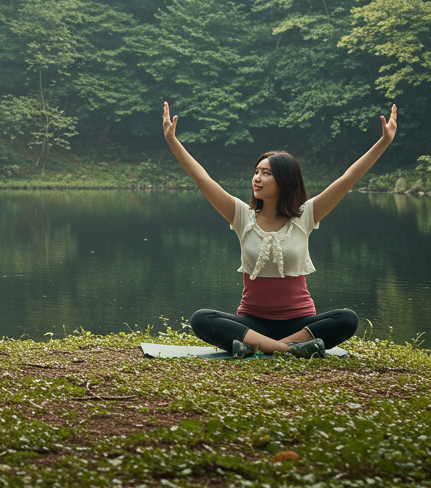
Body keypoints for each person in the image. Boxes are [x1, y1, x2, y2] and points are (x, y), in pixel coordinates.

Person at [163, 101, 399, 358]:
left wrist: (384, 142)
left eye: (266, 173)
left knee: (347, 319)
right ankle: (287, 350)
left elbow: (347, 178)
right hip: (251, 323)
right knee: (201, 319)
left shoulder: (305, 216)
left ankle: (265, 347)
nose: (257, 178)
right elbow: (203, 179)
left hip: (299, 323)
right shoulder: (243, 216)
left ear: (285, 181)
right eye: (256, 172)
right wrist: (173, 141)